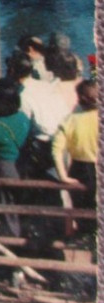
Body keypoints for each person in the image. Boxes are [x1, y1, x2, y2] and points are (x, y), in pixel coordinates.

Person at [0, 80, 32, 237]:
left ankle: (12, 237)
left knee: (7, 203)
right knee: (17, 201)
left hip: (4, 167)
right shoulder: (23, 117)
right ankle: (22, 232)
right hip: (22, 165)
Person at [52, 79, 97, 211]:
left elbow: (56, 151)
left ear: (80, 99)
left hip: (80, 169)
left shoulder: (70, 120)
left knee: (83, 212)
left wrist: (63, 175)